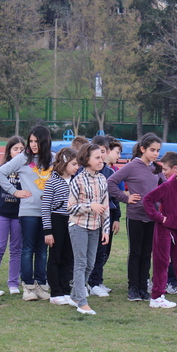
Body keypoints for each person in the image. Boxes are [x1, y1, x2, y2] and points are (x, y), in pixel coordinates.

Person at [0, 126, 54, 301]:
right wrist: (15, 191)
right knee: (27, 249)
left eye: (37, 141)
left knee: (42, 250)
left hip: (48, 212)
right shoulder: (23, 158)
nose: (33, 145)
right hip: (28, 211)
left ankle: (41, 285)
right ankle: (27, 286)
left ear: (45, 141)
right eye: (31, 141)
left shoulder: (53, 159)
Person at [107, 133, 166, 302]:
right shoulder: (132, 166)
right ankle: (133, 288)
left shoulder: (156, 168)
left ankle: (143, 287)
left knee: (147, 253)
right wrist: (126, 198)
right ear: (142, 149)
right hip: (135, 216)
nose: (155, 154)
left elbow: (166, 187)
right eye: (152, 150)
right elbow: (111, 182)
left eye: (158, 151)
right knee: (135, 252)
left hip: (152, 217)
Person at [143, 158, 177, 308]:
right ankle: (157, 296)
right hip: (164, 230)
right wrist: (159, 217)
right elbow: (148, 199)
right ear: (176, 172)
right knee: (161, 262)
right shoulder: (167, 186)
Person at [68, 144, 110, 315]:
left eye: (102, 157)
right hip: (78, 226)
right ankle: (82, 302)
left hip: (95, 228)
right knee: (81, 262)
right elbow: (70, 208)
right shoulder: (77, 180)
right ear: (87, 160)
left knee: (90, 263)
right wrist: (89, 206)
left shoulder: (102, 179)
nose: (101, 160)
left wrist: (105, 229)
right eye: (97, 158)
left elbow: (105, 207)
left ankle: (75, 295)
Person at [0, 136, 26, 297]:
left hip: (19, 216)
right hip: (1, 215)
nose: (19, 152)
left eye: (22, 149)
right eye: (15, 149)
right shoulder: (0, 170)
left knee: (16, 249)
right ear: (9, 151)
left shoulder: (26, 171)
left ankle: (13, 283)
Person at [42, 148, 79, 306]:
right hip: (57, 221)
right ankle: (55, 293)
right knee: (55, 257)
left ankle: (65, 290)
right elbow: (45, 207)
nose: (77, 167)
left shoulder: (76, 180)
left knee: (68, 258)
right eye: (74, 164)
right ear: (64, 163)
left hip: (72, 222)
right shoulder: (52, 181)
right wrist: (48, 231)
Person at [86, 135, 120, 297]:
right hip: (89, 217)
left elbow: (114, 196)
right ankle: (91, 282)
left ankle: (96, 281)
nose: (100, 157)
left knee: (103, 251)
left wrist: (117, 217)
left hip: (107, 216)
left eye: (102, 153)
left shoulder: (109, 173)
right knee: (91, 251)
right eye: (97, 154)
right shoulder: (83, 172)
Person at [158, 151, 177, 295]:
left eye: (165, 169)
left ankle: (172, 281)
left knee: (175, 254)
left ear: (175, 168)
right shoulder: (165, 184)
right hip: (165, 224)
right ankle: (162, 281)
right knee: (163, 254)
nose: (163, 172)